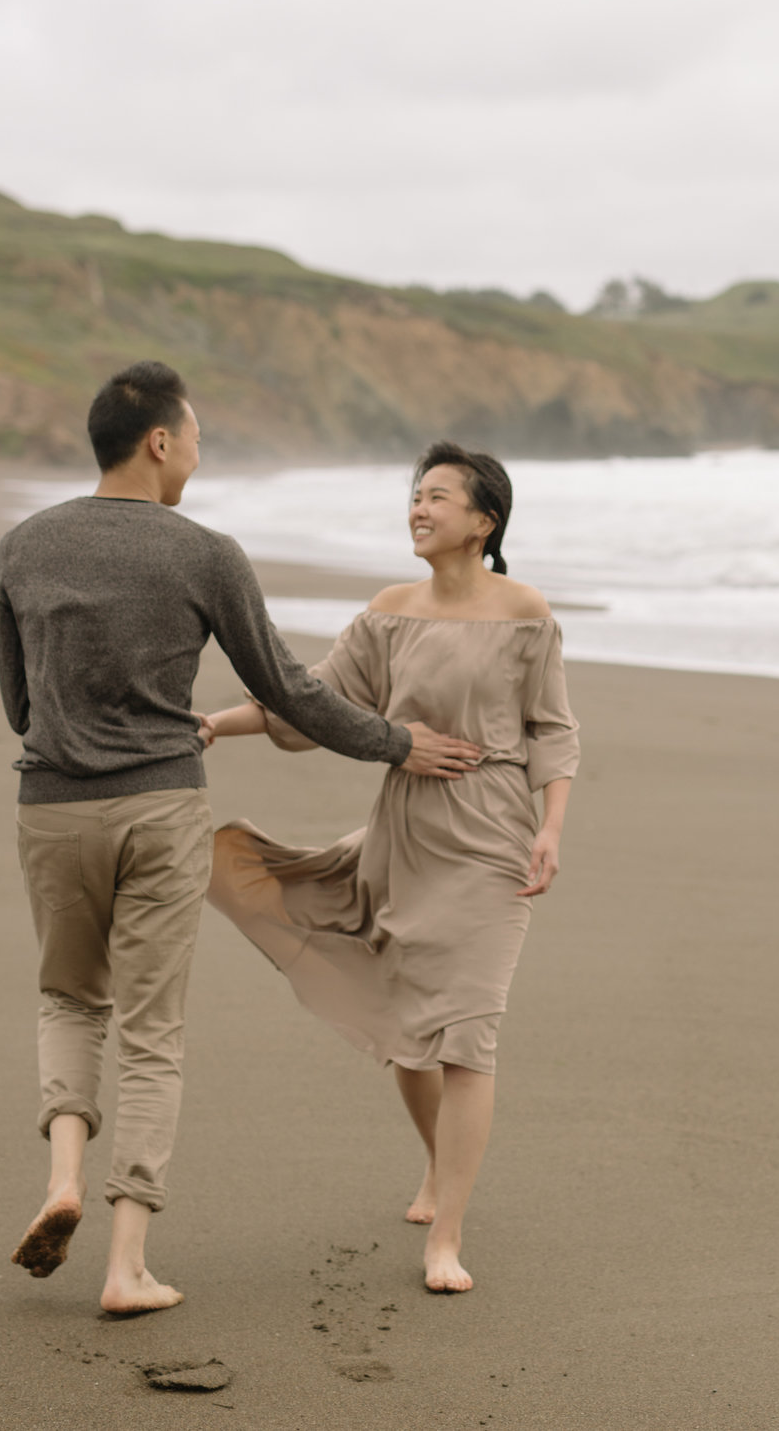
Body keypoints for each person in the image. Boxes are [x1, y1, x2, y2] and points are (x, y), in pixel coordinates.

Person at [0, 362, 483, 1315]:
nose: (201, 455)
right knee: (152, 1030)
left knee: (67, 995)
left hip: (51, 808)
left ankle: (63, 1176)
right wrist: (397, 742)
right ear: (160, 442)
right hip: (160, 807)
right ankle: (127, 1264)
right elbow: (294, 690)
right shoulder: (206, 552)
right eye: (198, 437)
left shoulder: (23, 544)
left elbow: (19, 704)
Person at [199, 441, 577, 1295]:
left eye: (438, 496)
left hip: (493, 838)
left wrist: (552, 826)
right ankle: (439, 1164)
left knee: (469, 1035)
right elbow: (313, 698)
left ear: (484, 520)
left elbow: (553, 728)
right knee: (412, 1035)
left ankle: (446, 1236)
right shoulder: (390, 610)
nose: (419, 507)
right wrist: (218, 723)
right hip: (402, 837)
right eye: (415, 494)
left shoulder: (526, 611)